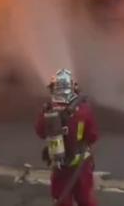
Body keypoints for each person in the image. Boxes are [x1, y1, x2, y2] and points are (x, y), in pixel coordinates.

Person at [34, 68, 99, 206]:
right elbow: (93, 136)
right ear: (73, 87)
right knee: (85, 199)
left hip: (60, 165)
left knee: (63, 201)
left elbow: (40, 132)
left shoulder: (48, 109)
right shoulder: (84, 109)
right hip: (82, 165)